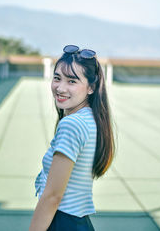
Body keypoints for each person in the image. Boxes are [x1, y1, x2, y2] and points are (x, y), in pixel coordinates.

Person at [29, 45, 116, 231]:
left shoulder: (72, 125)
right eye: (57, 78)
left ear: (91, 87)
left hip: (62, 222)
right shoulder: (92, 118)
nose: (60, 88)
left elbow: (53, 196)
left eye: (72, 81)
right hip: (78, 222)